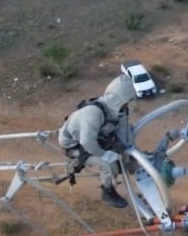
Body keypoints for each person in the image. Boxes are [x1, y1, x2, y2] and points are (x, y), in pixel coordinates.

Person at [58, 74, 136, 208]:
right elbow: (87, 142)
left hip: (97, 136)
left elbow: (124, 132)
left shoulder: (117, 110)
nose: (127, 104)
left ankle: (126, 168)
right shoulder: (93, 114)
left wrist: (128, 151)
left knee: (122, 150)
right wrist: (105, 155)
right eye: (126, 101)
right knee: (108, 164)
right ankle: (108, 192)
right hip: (77, 145)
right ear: (118, 99)